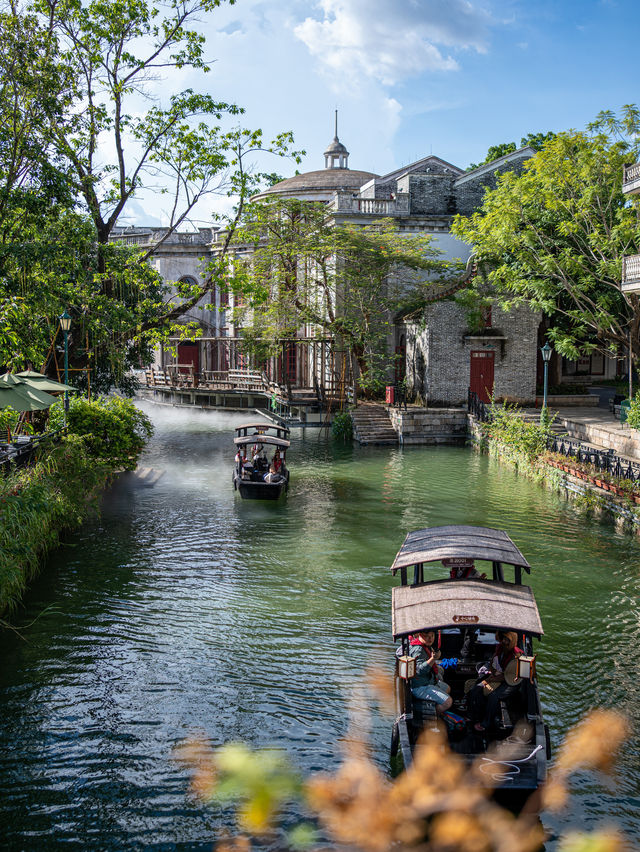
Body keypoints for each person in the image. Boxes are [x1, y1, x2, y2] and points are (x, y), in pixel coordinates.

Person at [469, 630, 522, 732]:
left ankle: (486, 723)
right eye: (503, 638)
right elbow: (494, 664)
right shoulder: (500, 648)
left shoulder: (516, 655)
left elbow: (508, 676)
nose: (504, 641)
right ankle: (474, 716)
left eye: (507, 639)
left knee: (494, 696)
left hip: (511, 681)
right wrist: (492, 675)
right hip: (497, 676)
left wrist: (491, 679)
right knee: (477, 688)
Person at [408, 630, 452, 716]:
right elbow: (419, 671)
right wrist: (433, 659)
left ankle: (437, 707)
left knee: (447, 688)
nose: (430, 639)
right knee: (448, 702)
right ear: (420, 635)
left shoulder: (425, 646)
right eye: (427, 636)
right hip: (420, 686)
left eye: (432, 636)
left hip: (428, 681)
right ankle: (434, 718)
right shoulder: (419, 650)